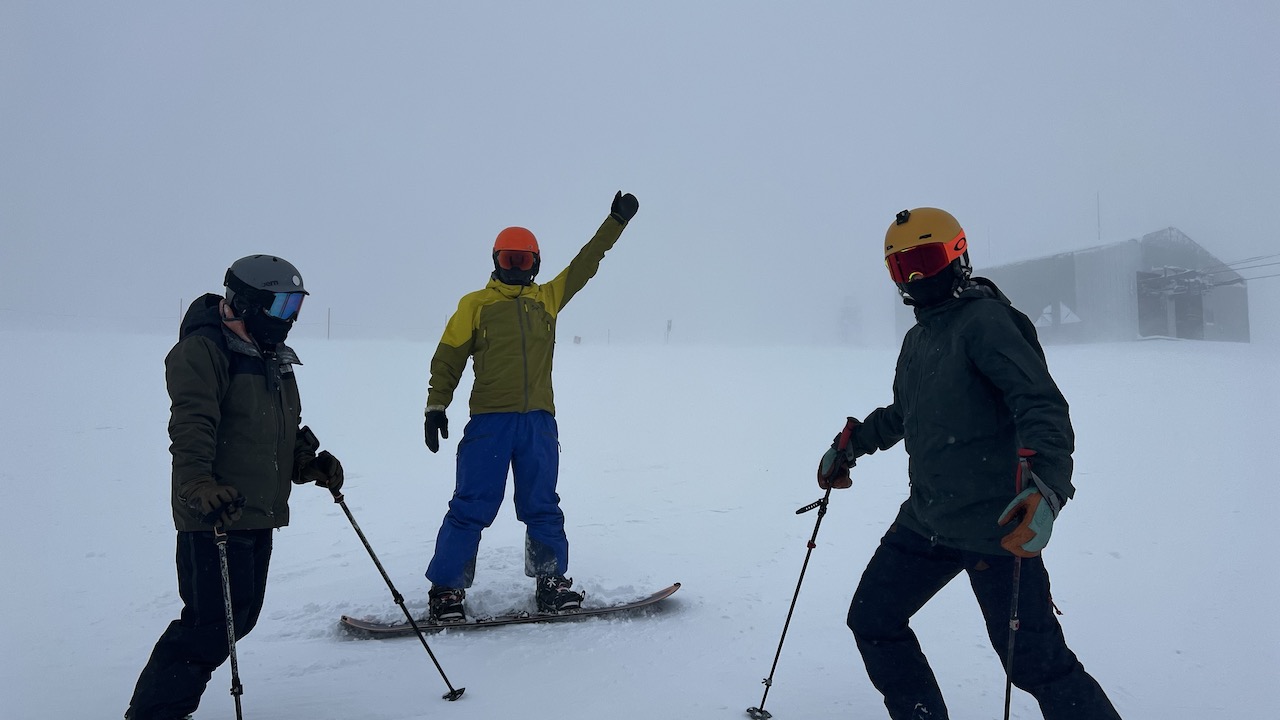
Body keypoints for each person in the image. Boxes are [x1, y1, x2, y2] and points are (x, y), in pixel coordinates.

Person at [816, 208, 1122, 720]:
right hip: (926, 521)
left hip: (996, 528)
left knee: (1036, 665)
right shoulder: (919, 339)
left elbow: (1040, 405)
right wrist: (852, 444)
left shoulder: (985, 322)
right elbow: (905, 413)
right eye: (901, 268)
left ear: (956, 254)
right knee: (873, 618)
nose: (915, 278)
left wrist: (1046, 489)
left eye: (924, 260)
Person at [125, 255, 344, 720]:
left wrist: (308, 463)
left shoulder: (273, 358)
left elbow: (276, 429)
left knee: (239, 618)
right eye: (281, 306)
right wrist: (199, 486)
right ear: (246, 302)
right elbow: (192, 426)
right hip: (215, 514)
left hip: (256, 510)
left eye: (295, 307)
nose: (288, 319)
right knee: (210, 626)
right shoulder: (205, 350)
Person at [421, 191, 639, 622]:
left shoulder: (548, 299)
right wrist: (435, 405)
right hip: (489, 424)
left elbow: (586, 263)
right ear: (495, 261)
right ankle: (446, 590)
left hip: (538, 423)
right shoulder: (475, 305)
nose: (515, 268)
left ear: (535, 263)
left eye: (523, 261)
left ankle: (551, 582)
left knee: (542, 505)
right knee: (471, 505)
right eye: (508, 260)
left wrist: (615, 222)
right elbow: (447, 358)